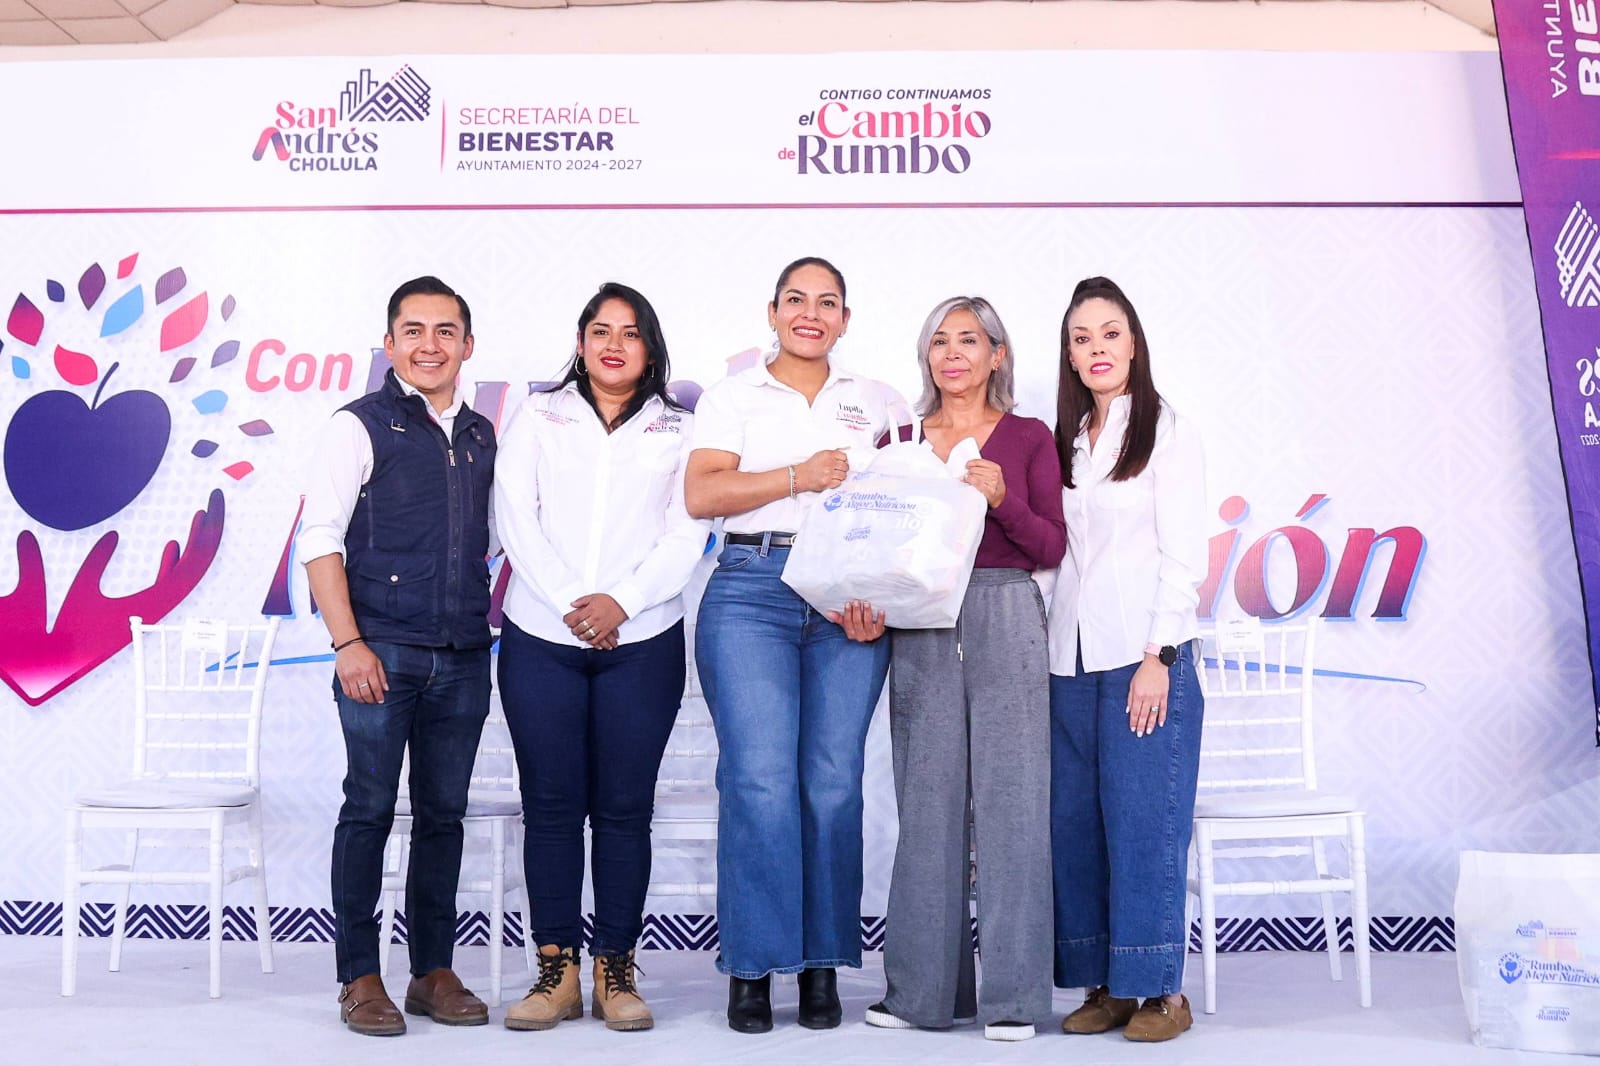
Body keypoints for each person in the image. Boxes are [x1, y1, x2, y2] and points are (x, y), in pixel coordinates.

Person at [685, 256, 898, 1035]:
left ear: (846, 319)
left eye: (828, 302)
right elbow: (704, 492)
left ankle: (821, 963)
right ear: (772, 312)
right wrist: (797, 476)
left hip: (848, 597)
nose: (812, 313)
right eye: (797, 300)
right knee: (759, 782)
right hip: (752, 588)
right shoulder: (733, 395)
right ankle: (751, 965)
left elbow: (901, 505)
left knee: (834, 784)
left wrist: (882, 596)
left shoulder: (877, 401)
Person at [493, 283, 708, 1033]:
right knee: (551, 808)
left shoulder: (681, 428)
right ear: (581, 343)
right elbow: (514, 517)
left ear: (651, 348)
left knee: (624, 810)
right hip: (541, 637)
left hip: (641, 641)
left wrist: (623, 601)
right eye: (600, 331)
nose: (614, 344)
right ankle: (555, 972)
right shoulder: (538, 414)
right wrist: (572, 604)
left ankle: (615, 968)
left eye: (630, 332)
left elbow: (688, 531)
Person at [864, 296, 1066, 1042]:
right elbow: (875, 540)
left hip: (1005, 607)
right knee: (926, 800)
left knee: (1014, 801)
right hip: (920, 620)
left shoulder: (1029, 437)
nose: (953, 354)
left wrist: (1003, 499)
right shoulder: (898, 441)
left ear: (996, 355)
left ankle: (1014, 997)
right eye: (940, 342)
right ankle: (922, 994)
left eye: (969, 341)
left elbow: (1049, 545)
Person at [300, 275, 497, 1037]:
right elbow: (320, 538)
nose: (429, 345)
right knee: (370, 810)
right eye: (413, 331)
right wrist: (348, 643)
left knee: (444, 815)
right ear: (389, 344)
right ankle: (358, 976)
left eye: (446, 331)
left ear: (468, 345)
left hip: (464, 654)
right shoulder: (357, 426)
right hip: (379, 651)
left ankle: (432, 971)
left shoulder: (481, 436)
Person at [1048, 276, 1208, 1042]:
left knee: (1146, 823)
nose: (1097, 349)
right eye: (1082, 338)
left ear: (1134, 342)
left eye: (1110, 333)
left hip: (1143, 656)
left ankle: (1161, 992)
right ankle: (1106, 984)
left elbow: (1185, 555)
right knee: (1078, 826)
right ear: (1070, 356)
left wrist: (1160, 656)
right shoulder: (1069, 439)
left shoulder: (1166, 430)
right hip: (1070, 659)